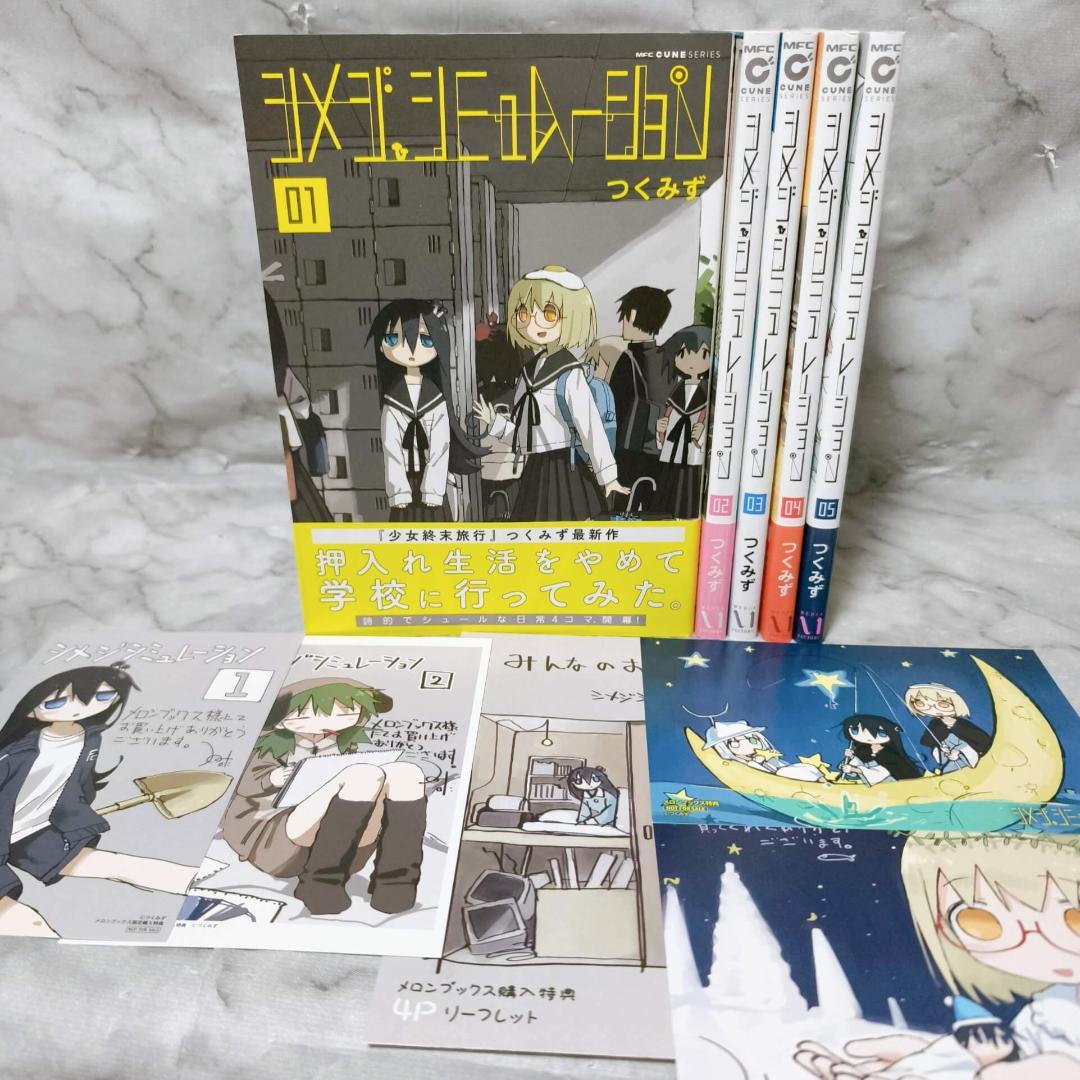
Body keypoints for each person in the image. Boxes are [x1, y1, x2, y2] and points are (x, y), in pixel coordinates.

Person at [796, 834, 1080, 1078]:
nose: (1038, 940)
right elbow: (1024, 1048)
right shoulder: (1047, 1007)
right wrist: (934, 1057)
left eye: (1074, 918)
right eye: (980, 923)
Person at [0, 665, 200, 938]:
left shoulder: (89, 738)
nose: (79, 709)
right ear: (30, 710)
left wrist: (77, 816)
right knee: (28, 923)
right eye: (56, 703)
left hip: (35, 834)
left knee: (125, 867)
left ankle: (217, 890)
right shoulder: (12, 755)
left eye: (103, 697)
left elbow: (77, 784)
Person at [222, 679, 428, 917]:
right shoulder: (270, 744)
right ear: (282, 718)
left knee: (407, 773)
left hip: (344, 849)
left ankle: (395, 883)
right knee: (362, 775)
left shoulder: (338, 742)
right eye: (316, 713)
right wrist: (274, 777)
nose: (333, 720)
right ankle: (320, 885)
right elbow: (246, 784)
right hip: (272, 838)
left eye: (347, 712)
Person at [473, 266, 628, 521]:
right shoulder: (528, 374)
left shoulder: (569, 373)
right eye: (524, 313)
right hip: (535, 472)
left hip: (565, 471)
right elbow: (524, 434)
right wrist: (495, 423)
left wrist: (608, 476)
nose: (532, 322)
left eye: (547, 313)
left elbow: (590, 427)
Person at [370, 299, 486, 522]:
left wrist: (433, 490)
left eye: (425, 340)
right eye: (394, 339)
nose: (411, 350)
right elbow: (390, 446)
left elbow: (440, 446)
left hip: (432, 482)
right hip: (405, 480)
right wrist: (398, 490)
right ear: (382, 346)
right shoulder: (393, 399)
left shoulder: (435, 396)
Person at [608, 285, 673, 507]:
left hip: (631, 447)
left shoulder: (627, 359)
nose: (622, 323)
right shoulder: (667, 359)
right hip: (662, 448)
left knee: (624, 505)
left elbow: (616, 406)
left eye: (626, 317)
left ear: (635, 316)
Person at [655, 323, 712, 518]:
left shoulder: (707, 391)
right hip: (672, 447)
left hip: (692, 451)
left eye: (701, 355)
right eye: (684, 354)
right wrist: (660, 429)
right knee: (668, 483)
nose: (692, 361)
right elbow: (668, 414)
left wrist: (700, 434)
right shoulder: (676, 390)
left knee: (688, 487)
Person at [905, 683, 991, 774]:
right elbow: (926, 741)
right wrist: (941, 748)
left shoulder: (963, 724)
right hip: (948, 761)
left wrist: (959, 750)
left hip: (970, 762)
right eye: (920, 703)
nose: (932, 709)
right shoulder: (935, 723)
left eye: (942, 704)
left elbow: (984, 742)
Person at [704, 719, 823, 782]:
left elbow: (780, 765)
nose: (746, 744)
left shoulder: (767, 756)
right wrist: (757, 762)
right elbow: (761, 776)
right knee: (784, 772)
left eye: (753, 739)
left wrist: (767, 760)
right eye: (735, 743)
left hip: (786, 775)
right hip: (776, 780)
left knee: (804, 767)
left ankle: (821, 780)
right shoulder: (741, 765)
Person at [838, 714, 923, 785]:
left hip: (891, 785)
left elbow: (880, 772)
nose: (868, 736)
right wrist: (851, 757)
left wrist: (854, 769)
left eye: (881, 733)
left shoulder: (890, 754)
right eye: (855, 730)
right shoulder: (863, 751)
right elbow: (862, 765)